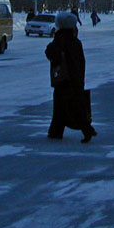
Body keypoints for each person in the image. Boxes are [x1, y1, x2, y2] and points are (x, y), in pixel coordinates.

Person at [45, 12, 97, 143]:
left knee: (63, 105)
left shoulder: (60, 40)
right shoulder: (75, 42)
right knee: (72, 104)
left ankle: (78, 129)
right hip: (74, 78)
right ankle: (60, 130)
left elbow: (50, 53)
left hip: (63, 78)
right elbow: (80, 61)